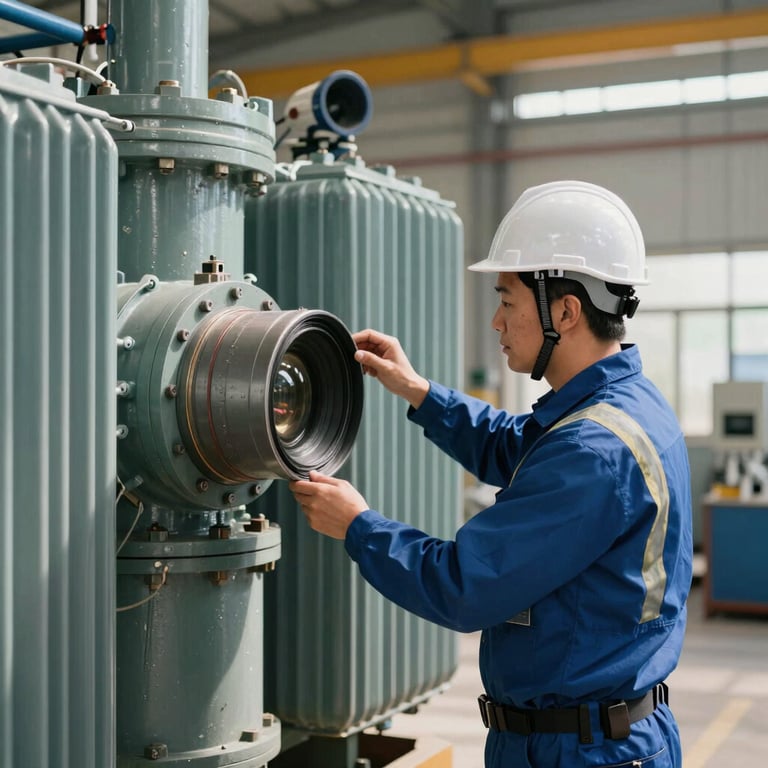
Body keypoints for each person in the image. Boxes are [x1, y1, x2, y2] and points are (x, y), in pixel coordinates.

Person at [289, 180, 693, 768]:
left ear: (565, 310)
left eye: (506, 300)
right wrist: (420, 392)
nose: (497, 322)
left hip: (581, 752)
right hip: (588, 736)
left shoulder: (594, 450)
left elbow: (465, 586)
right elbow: (518, 450)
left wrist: (358, 525)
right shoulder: (622, 406)